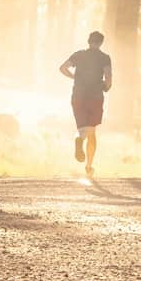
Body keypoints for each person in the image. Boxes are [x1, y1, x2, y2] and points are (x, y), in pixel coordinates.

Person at [59, 31, 112, 176]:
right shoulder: (104, 58)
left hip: (77, 96)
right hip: (94, 97)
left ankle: (80, 144)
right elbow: (108, 76)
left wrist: (74, 78)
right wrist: (107, 87)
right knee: (91, 131)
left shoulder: (79, 55)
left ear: (88, 41)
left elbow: (62, 68)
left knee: (84, 129)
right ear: (101, 43)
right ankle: (88, 165)